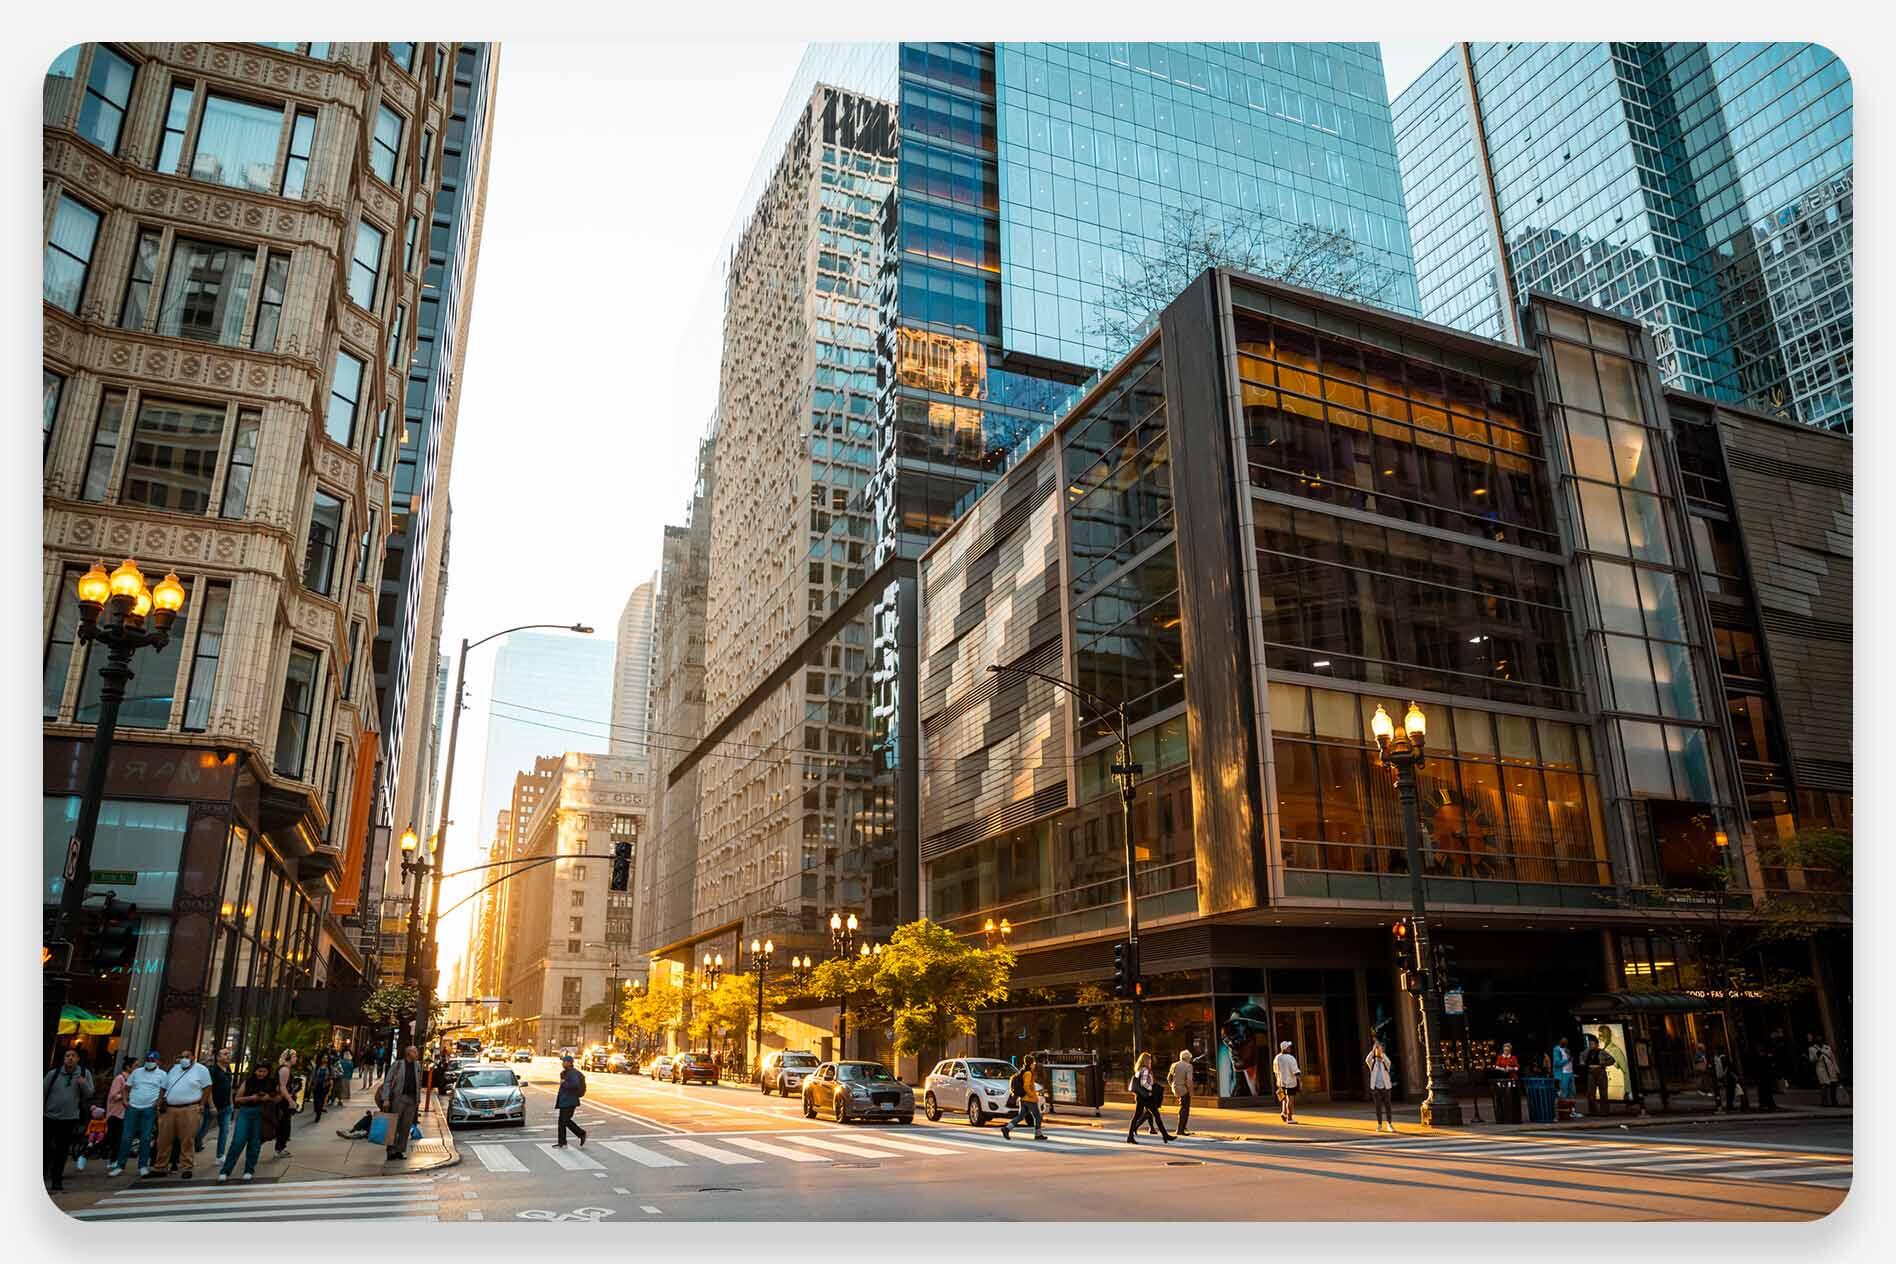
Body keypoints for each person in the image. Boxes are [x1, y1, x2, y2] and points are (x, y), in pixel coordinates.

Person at [218, 1064, 282, 1183]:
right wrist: (251, 1098)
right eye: (259, 1071)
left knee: (255, 1143)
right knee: (238, 1141)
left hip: (261, 1114)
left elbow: (279, 1098)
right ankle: (225, 1171)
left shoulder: (272, 1083)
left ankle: (249, 1170)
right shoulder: (248, 1082)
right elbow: (237, 1099)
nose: (261, 1074)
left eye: (264, 1071)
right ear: (254, 1071)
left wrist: (268, 1097)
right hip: (245, 1113)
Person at [155, 1047, 212, 1179]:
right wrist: (160, 1101)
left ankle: (186, 1167)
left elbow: (208, 1087)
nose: (184, 1059)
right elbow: (164, 1087)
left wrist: (202, 1104)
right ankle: (160, 1166)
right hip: (170, 1109)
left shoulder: (201, 1070)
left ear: (193, 1058)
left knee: (187, 1139)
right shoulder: (174, 1069)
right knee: (163, 1139)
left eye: (187, 1056)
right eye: (182, 1056)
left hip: (190, 1108)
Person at [44, 1048, 95, 1193]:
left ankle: (56, 1180)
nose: (70, 1058)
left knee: (62, 1150)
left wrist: (83, 1083)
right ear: (63, 1058)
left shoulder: (84, 1074)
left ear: (78, 1059)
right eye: (67, 1056)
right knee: (45, 1149)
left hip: (69, 1118)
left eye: (73, 1056)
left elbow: (90, 1093)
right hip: (50, 1117)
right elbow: (42, 1091)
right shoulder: (53, 1074)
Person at [111, 1050, 167, 1176]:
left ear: (157, 1061)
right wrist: (125, 1100)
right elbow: (126, 1087)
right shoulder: (137, 1072)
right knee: (126, 1137)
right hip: (133, 1107)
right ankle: (120, 1165)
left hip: (149, 1108)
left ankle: (142, 1165)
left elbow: (163, 1091)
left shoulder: (162, 1074)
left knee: (146, 1138)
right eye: (148, 1060)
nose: (149, 1062)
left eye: (152, 1060)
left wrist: (157, 1103)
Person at [379, 1045, 423, 1161]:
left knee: (406, 1126)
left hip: (412, 1100)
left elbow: (418, 1083)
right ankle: (391, 1150)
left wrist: (418, 1099)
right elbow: (388, 1081)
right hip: (399, 1099)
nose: (417, 1054)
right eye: (415, 1052)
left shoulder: (417, 1066)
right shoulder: (398, 1065)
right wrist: (386, 1099)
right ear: (409, 1054)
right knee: (394, 1125)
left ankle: (400, 1150)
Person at [1125, 1051, 1172, 1144]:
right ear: (1146, 1060)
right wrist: (1151, 1090)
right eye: (1150, 1060)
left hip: (1141, 1096)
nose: (1151, 1061)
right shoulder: (1145, 1070)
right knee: (1155, 1115)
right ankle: (1165, 1136)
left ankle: (1130, 1136)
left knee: (1138, 1116)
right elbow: (1144, 1083)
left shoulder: (1139, 1069)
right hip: (1145, 1097)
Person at [198, 1048, 233, 1159]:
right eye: (225, 1054)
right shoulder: (212, 1070)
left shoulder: (228, 1069)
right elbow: (209, 1089)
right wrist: (212, 1106)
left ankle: (220, 1155)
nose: (228, 1056)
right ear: (218, 1057)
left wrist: (231, 1103)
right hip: (213, 1107)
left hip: (226, 1106)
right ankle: (195, 1144)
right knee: (204, 1129)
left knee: (224, 1131)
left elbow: (229, 1087)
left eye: (229, 1054)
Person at [1001, 1055, 1046, 1141]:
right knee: (1038, 1116)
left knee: (1021, 1116)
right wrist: (1032, 1095)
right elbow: (1026, 1086)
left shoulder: (1025, 1071)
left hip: (1023, 1099)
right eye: (1033, 1063)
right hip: (1029, 1099)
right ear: (1031, 1063)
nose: (1034, 1064)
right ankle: (1038, 1134)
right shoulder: (1028, 1073)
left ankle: (1007, 1128)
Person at [103, 1056, 134, 1168]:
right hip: (116, 1113)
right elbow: (113, 1096)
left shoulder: (132, 1079)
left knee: (120, 1138)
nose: (137, 1068)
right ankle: (112, 1160)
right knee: (114, 1138)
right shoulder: (120, 1079)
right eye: (135, 1066)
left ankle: (115, 1160)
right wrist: (126, 1095)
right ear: (128, 1067)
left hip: (125, 1113)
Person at [554, 1053, 589, 1148]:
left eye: (564, 1062)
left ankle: (581, 1133)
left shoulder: (572, 1073)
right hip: (566, 1100)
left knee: (564, 1121)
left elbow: (575, 1085)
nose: (563, 1063)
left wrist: (564, 1083)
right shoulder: (567, 1072)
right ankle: (562, 1142)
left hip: (570, 1101)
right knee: (563, 1121)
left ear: (569, 1063)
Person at [272, 1050, 300, 1158]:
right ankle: (279, 1148)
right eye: (294, 1056)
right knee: (284, 1125)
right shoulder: (285, 1069)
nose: (296, 1058)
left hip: (284, 1101)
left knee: (284, 1124)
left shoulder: (286, 1069)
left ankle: (280, 1148)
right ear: (288, 1057)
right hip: (283, 1102)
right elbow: (282, 1087)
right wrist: (290, 1101)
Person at [1365, 1040, 1395, 1133]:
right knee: (1378, 1107)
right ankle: (1379, 1125)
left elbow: (1388, 1062)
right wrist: (1373, 1050)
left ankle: (1389, 1124)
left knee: (1388, 1107)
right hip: (1376, 1088)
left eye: (1380, 1049)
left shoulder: (1385, 1063)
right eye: (1377, 1050)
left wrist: (1382, 1054)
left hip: (1386, 1088)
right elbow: (1367, 1060)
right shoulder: (1372, 1063)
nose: (1378, 1051)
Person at [1582, 1035, 1612, 1117]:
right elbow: (1581, 1057)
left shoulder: (1602, 1052)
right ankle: (1593, 1111)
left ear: (1597, 1044)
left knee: (1603, 1093)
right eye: (1590, 1044)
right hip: (1591, 1072)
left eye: (1593, 1044)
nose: (1591, 1045)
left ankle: (1604, 1111)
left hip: (1600, 1072)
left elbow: (1612, 1060)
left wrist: (1603, 1064)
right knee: (1590, 1092)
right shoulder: (1587, 1051)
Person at [1168, 1049, 1196, 1136]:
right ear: (1187, 1058)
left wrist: (1172, 1085)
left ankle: (1182, 1127)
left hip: (1176, 1087)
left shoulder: (1174, 1065)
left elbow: (1169, 1078)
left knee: (1182, 1107)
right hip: (1184, 1089)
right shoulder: (1188, 1066)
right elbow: (1189, 1081)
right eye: (1190, 1058)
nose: (1190, 1060)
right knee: (1185, 1108)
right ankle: (1180, 1129)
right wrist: (1191, 1091)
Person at [1273, 1041, 1302, 1124]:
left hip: (1280, 1082)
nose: (1290, 1048)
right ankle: (1289, 1117)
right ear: (1286, 1048)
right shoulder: (1290, 1058)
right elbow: (1295, 1071)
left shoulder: (1277, 1058)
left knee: (1284, 1099)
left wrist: (1277, 1081)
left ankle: (1284, 1112)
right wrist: (1300, 1081)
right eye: (1289, 1047)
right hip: (1290, 1082)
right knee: (1290, 1099)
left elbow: (1275, 1071)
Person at [1809, 1035, 1841, 1108]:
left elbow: (1833, 1059)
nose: (1819, 1040)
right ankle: (1824, 1102)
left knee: (1833, 1084)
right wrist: (1817, 1055)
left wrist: (1837, 1070)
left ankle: (1834, 1101)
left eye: (1820, 1038)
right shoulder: (1812, 1049)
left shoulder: (1827, 1047)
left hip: (1830, 1068)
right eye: (1817, 1038)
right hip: (1821, 1069)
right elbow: (1811, 1060)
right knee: (1824, 1084)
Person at [309, 1053, 332, 1122]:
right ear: (321, 1059)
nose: (325, 1059)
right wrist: (310, 1084)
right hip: (316, 1086)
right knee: (316, 1100)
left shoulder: (329, 1068)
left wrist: (330, 1086)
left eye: (326, 1058)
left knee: (321, 1101)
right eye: (324, 1058)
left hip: (324, 1086)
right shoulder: (317, 1067)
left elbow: (332, 1077)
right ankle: (317, 1110)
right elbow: (312, 1076)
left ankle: (318, 1115)